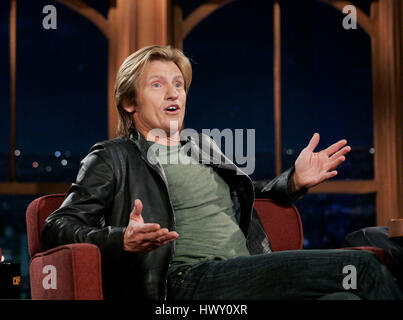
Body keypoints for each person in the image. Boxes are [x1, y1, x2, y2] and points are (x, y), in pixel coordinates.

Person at [41, 45, 403, 300]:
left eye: (179, 84)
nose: (174, 92)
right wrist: (121, 237)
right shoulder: (113, 156)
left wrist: (293, 180)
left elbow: (244, 192)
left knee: (345, 298)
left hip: (244, 271)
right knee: (362, 266)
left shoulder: (202, 147)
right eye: (157, 84)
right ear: (129, 101)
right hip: (185, 282)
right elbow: (57, 226)